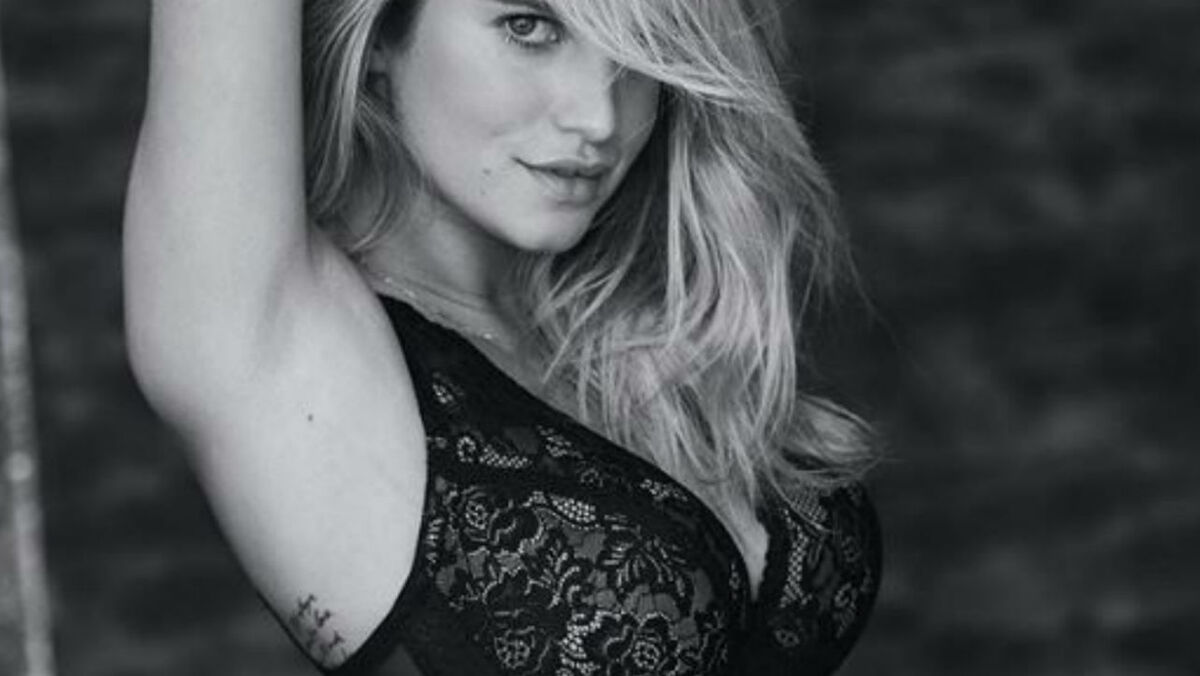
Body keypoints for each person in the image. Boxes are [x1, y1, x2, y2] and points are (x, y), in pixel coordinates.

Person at [123, 0, 881, 673]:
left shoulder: (637, 317)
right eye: (529, 27)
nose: (599, 118)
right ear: (381, 34)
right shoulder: (276, 342)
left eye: (642, 48)